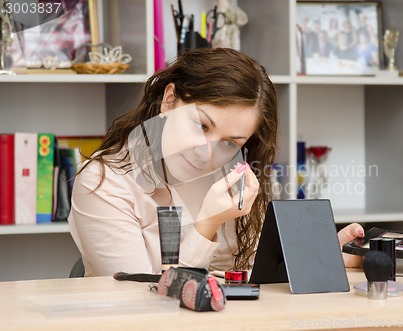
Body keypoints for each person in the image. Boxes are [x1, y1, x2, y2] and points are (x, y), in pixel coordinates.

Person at [68, 48, 364, 277]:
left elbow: (251, 273)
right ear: (169, 100)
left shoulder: (229, 177)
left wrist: (324, 255)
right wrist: (207, 224)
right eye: (202, 125)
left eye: (230, 143)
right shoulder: (105, 183)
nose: (207, 154)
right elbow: (144, 309)